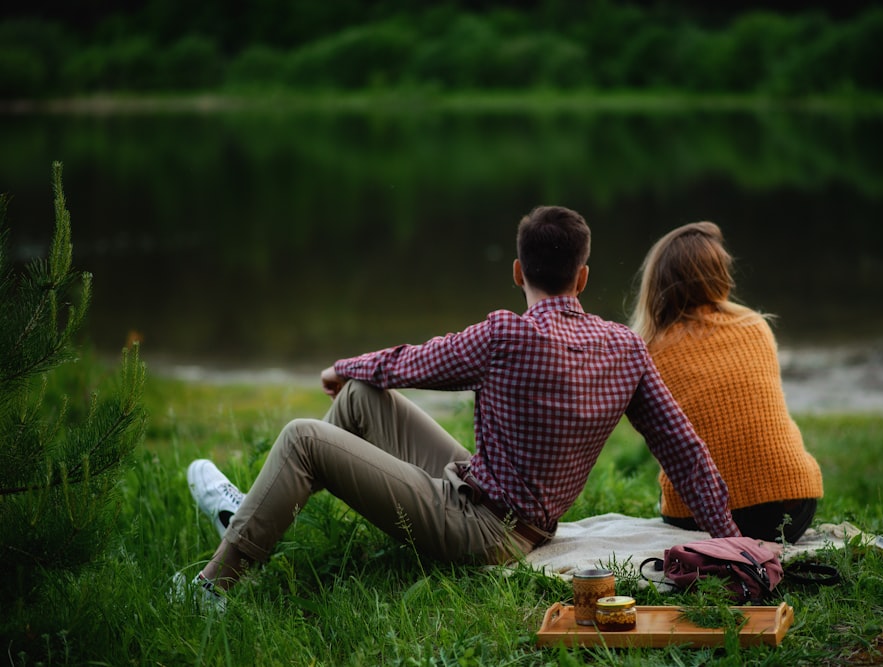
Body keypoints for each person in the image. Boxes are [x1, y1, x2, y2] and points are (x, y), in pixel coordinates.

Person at [175, 205, 740, 606]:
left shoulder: (504, 335)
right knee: (361, 398)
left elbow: (413, 361)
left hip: (484, 531)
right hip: (503, 508)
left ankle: (211, 588)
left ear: (518, 272)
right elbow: (685, 453)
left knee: (303, 436)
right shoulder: (625, 347)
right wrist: (731, 541)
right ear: (583, 276)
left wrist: (340, 364)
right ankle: (252, 512)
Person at [629, 221, 823, 543]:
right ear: (721, 275)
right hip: (793, 508)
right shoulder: (755, 326)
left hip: (706, 516)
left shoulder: (650, 348)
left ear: (657, 282)